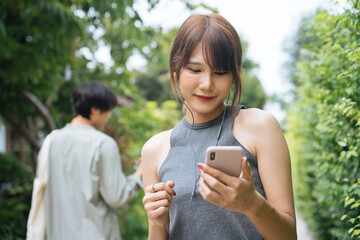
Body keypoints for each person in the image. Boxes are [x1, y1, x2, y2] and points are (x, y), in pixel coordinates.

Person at [141, 14, 297, 240]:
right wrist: (156, 222)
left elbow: (289, 236)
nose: (207, 84)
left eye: (220, 72)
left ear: (234, 76)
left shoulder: (260, 126)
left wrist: (252, 204)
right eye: (195, 70)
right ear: (176, 70)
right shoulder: (154, 150)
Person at [27, 81, 142, 240]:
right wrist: (139, 174)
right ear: (94, 110)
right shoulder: (104, 144)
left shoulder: (51, 141)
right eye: (107, 110)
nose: (109, 116)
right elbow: (116, 197)